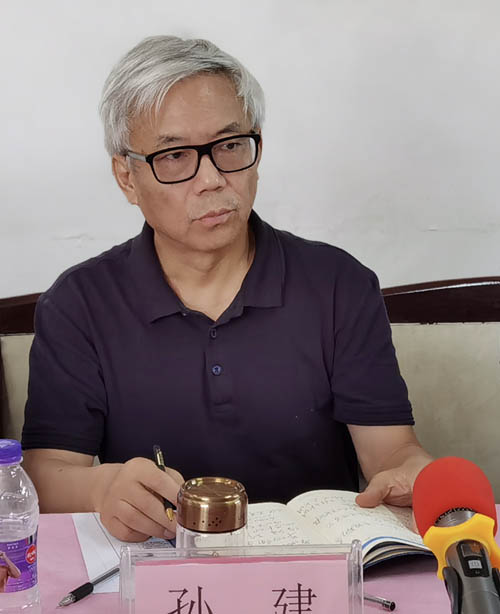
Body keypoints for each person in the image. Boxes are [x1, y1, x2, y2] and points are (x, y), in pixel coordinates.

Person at [22, 36, 432, 542]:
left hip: (319, 564)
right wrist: (101, 488)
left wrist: (414, 473)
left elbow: (391, 452)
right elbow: (46, 474)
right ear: (126, 177)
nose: (212, 178)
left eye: (231, 145)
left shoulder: (338, 284)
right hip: (156, 561)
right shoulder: (79, 303)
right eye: (175, 155)